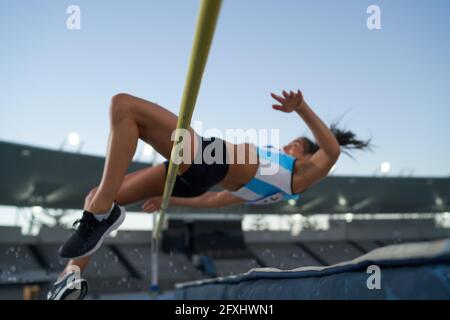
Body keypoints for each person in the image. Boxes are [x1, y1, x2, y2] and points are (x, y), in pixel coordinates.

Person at [47, 90, 370, 299]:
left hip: (209, 158)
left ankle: (103, 213)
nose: (286, 146)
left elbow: (332, 150)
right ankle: (71, 275)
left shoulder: (299, 176)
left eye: (294, 145)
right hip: (201, 173)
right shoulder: (268, 188)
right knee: (97, 193)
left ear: (304, 153)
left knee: (123, 106)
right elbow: (215, 200)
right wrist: (169, 200)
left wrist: (301, 108)